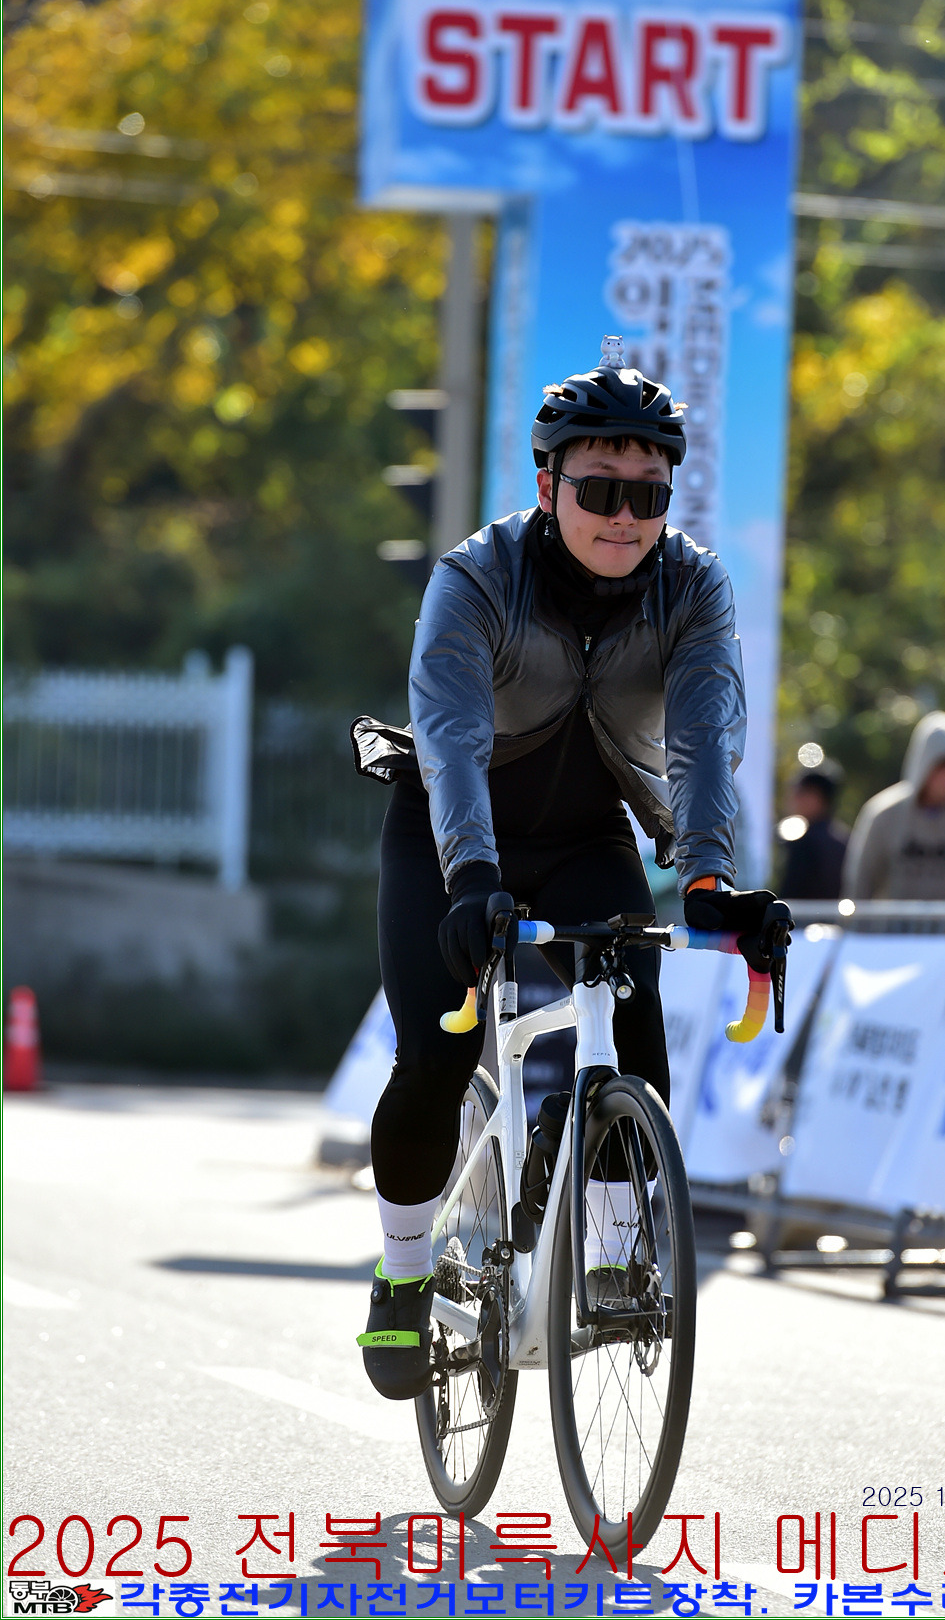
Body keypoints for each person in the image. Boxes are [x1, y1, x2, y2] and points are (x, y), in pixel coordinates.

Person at [350, 335, 785, 1400]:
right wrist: (469, 879)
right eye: (600, 489)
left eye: (649, 494)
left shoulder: (692, 587)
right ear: (549, 487)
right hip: (449, 835)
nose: (625, 516)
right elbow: (450, 741)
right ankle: (403, 1271)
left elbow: (704, 743)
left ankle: (609, 1241)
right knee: (435, 1059)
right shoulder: (475, 578)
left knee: (636, 1029)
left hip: (589, 835)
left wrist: (709, 882)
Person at [841, 710, 945, 902]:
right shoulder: (884, 814)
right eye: (943, 768)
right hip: (894, 922)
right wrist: (859, 919)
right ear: (923, 765)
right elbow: (861, 880)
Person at [777, 754, 849, 900]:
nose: (792, 798)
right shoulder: (845, 839)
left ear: (815, 797)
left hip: (806, 915)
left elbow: (791, 893)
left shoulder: (805, 841)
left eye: (799, 792)